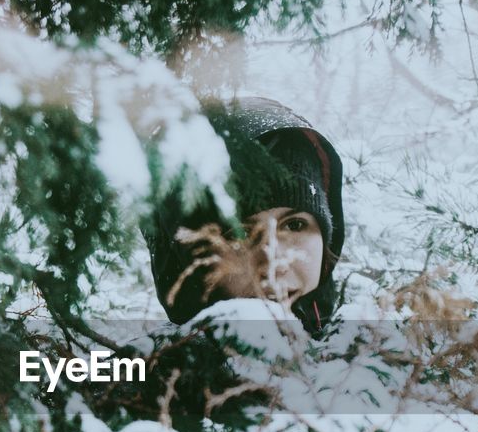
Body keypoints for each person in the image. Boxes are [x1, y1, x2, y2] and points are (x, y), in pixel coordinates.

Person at [145, 98, 346, 337]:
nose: (274, 262)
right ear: (188, 263)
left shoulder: (374, 359)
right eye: (240, 233)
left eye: (294, 225)